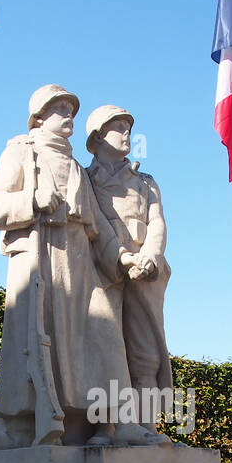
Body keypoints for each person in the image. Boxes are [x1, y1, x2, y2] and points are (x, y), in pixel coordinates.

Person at [0, 85, 161, 449]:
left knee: (106, 336)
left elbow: (99, 226)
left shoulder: (75, 166)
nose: (68, 115)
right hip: (39, 260)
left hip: (80, 261)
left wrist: (119, 256)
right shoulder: (20, 153)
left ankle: (119, 423)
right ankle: (18, 422)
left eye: (71, 109)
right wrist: (32, 200)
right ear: (39, 117)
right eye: (59, 109)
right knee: (30, 343)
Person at [85, 105, 175, 435]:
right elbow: (90, 224)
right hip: (101, 270)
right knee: (103, 351)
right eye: (118, 128)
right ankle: (103, 430)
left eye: (128, 128)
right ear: (96, 137)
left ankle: (146, 429)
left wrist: (151, 255)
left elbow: (157, 222)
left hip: (144, 272)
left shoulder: (145, 182)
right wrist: (120, 257)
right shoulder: (84, 180)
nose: (127, 134)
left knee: (145, 356)